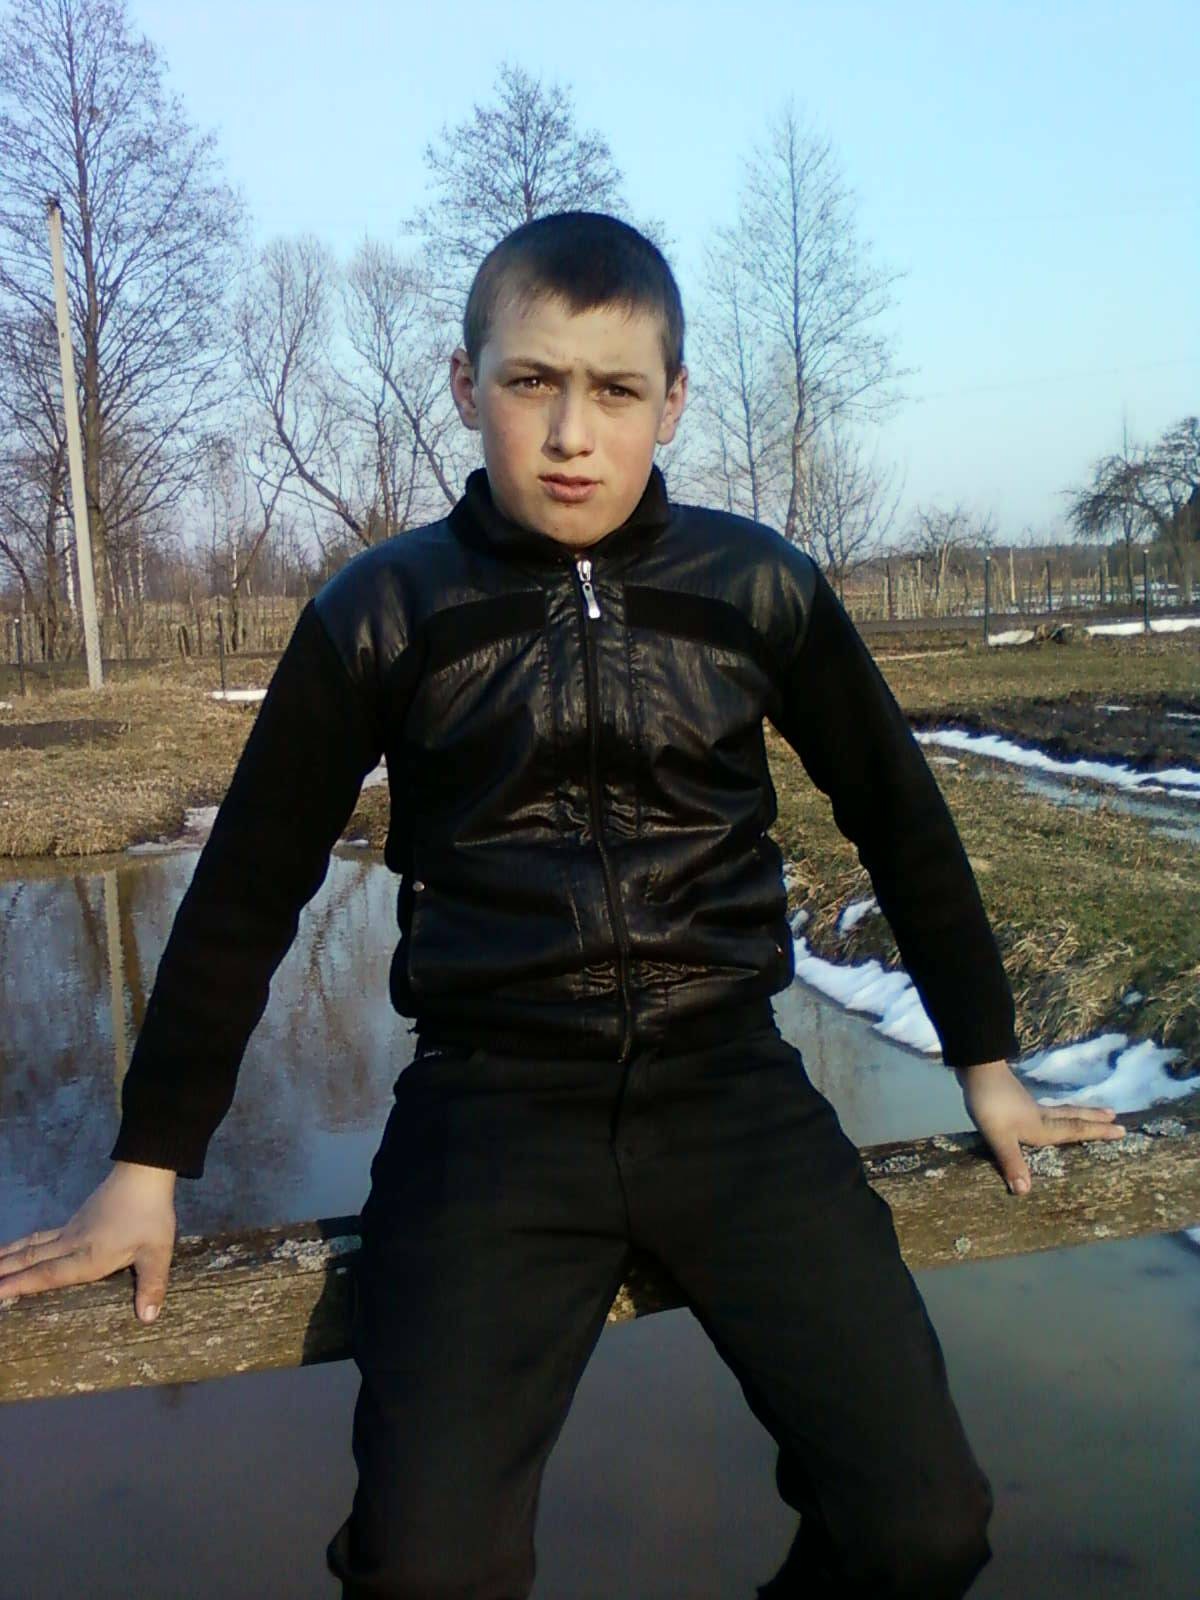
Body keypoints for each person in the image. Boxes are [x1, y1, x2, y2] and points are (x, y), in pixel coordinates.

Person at [0, 211, 1126, 1599]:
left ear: (674, 402)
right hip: (493, 1115)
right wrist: (149, 1162)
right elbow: (247, 888)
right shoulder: (383, 610)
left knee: (925, 1527)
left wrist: (986, 1061)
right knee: (426, 1572)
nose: (573, 434)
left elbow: (901, 819)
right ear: (465, 384)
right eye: (532, 381)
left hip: (733, 1097)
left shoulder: (757, 586)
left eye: (616, 390)